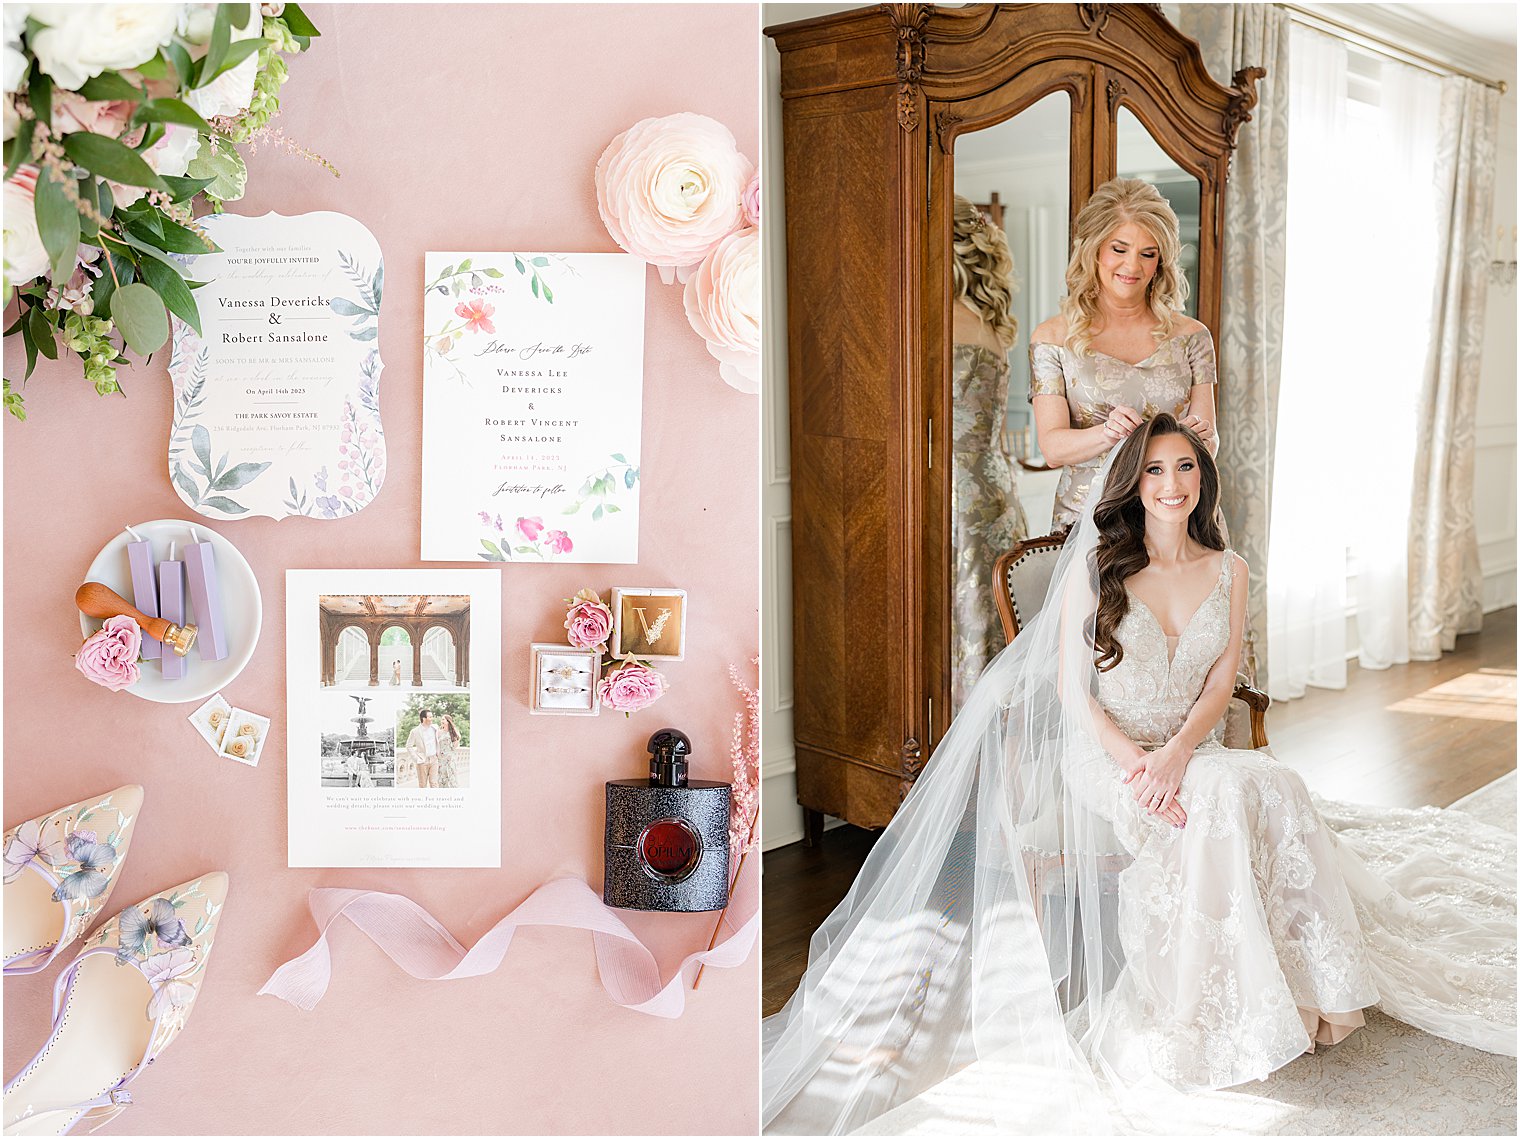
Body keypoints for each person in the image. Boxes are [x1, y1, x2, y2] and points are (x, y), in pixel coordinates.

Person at [761, 414, 1515, 1135]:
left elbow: (1221, 683)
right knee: (1223, 796)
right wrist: (1138, 765)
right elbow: (1068, 690)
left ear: (1203, 479)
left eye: (1185, 466)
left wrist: (1181, 751)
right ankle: (1206, 1010)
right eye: (1155, 468)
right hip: (1109, 758)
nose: (1171, 481)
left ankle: (1310, 990)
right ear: (1134, 481)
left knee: (1272, 784)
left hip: (1190, 749)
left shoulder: (1231, 569)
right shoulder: (1096, 570)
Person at [1030, 178, 1219, 530]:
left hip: (1175, 518)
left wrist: (1199, 436)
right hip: (1089, 522)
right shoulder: (1053, 339)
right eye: (1119, 249)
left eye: (1148, 254)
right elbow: (1053, 449)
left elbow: (1210, 441)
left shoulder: (1192, 337)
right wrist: (1107, 433)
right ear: (1094, 249)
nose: (1133, 267)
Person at [950, 194, 1029, 709]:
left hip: (954, 490)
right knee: (986, 614)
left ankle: (956, 745)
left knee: (963, 617)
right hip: (996, 488)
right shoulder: (992, 324)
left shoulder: (934, 321)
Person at [404, 708, 439, 790]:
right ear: (424, 718)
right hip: (422, 761)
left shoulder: (435, 728)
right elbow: (409, 746)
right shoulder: (415, 731)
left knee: (434, 784)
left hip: (434, 760)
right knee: (423, 785)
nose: (432, 719)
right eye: (430, 717)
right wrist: (417, 759)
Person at [437, 713, 461, 789]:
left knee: (451, 775)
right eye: (441, 719)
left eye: (443, 719)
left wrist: (457, 738)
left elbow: (455, 747)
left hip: (450, 757)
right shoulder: (438, 732)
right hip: (441, 758)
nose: (442, 721)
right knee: (442, 776)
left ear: (448, 721)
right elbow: (437, 745)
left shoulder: (453, 732)